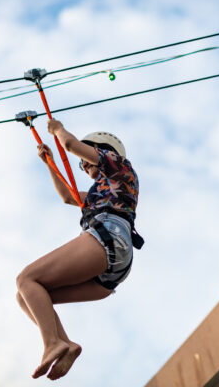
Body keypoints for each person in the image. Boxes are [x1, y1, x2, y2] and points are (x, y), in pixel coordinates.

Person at [15, 117, 141, 380]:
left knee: (26, 278)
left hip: (109, 236)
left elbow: (70, 144)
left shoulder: (119, 166)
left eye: (87, 159)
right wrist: (49, 163)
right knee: (26, 294)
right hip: (112, 268)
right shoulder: (98, 194)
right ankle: (65, 344)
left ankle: (51, 343)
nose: (83, 166)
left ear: (103, 149)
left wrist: (57, 129)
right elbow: (66, 196)